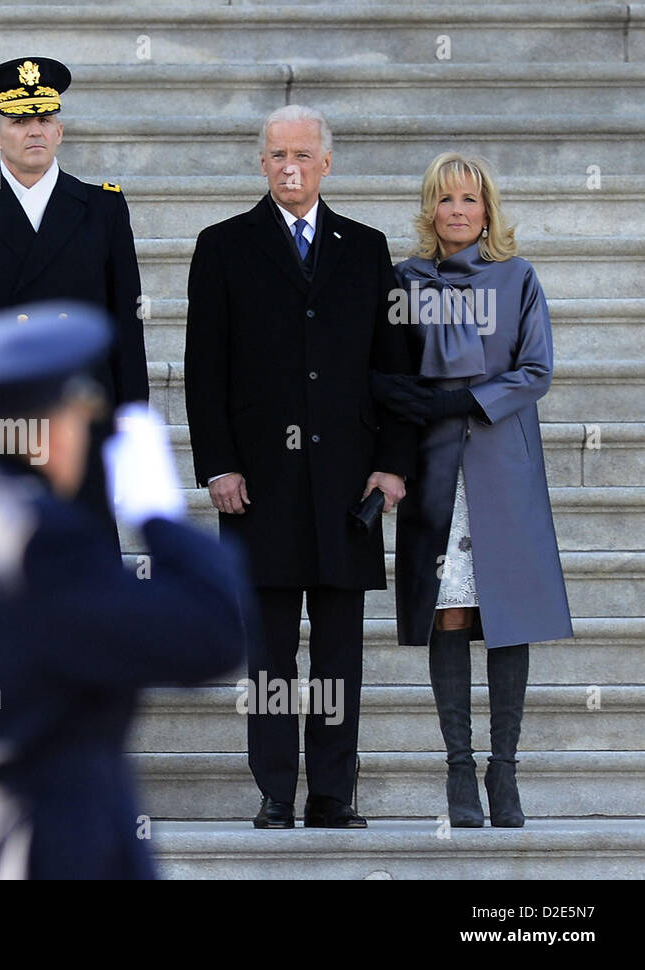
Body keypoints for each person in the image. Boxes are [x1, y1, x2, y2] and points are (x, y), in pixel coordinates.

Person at [0, 303, 252, 879]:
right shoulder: (35, 543)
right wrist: (160, 519)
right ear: (40, 429)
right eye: (79, 410)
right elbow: (214, 635)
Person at [184, 104, 416, 829]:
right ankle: (277, 791)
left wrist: (392, 464)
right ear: (262, 163)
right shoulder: (223, 246)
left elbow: (394, 367)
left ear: (327, 162)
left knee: (341, 655)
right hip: (259, 489)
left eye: (304, 155)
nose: (291, 166)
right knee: (269, 657)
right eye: (278, 154)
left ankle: (332, 794)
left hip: (349, 488)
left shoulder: (367, 248)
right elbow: (204, 370)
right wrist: (218, 464)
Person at [371, 152, 573, 828]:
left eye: (469, 199)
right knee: (448, 612)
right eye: (444, 199)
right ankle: (460, 769)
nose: (457, 210)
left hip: (500, 464)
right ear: (429, 210)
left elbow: (536, 369)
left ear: (487, 209)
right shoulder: (403, 281)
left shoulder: (517, 278)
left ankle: (504, 771)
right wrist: (412, 402)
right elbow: (388, 368)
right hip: (434, 470)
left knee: (507, 614)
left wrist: (467, 401)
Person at [0, 56, 148, 546]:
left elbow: (126, 324)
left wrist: (131, 431)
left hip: (82, 421)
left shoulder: (102, 207)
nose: (33, 131)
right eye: (19, 121)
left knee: (84, 581)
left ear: (59, 131)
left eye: (44, 119)